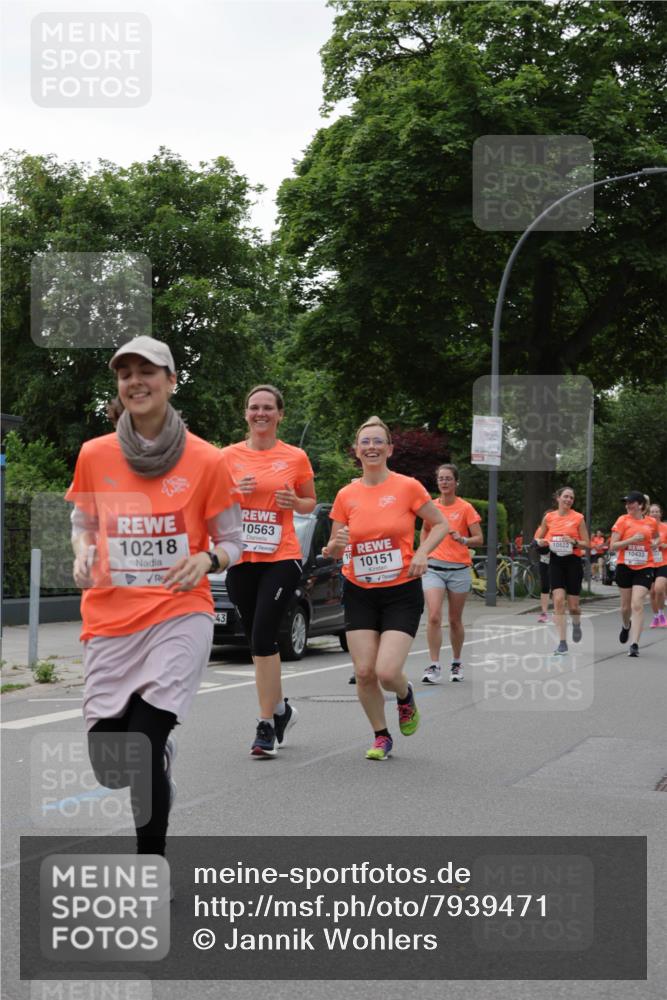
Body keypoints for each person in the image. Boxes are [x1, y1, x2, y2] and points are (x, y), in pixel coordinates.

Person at [66, 335, 242, 859]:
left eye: (148, 371)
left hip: (177, 613)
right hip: (110, 619)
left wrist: (209, 560)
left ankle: (151, 862)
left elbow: (234, 540)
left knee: (141, 748)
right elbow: (83, 521)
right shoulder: (95, 455)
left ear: (170, 381)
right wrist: (83, 549)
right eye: (126, 373)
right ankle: (158, 756)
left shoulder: (206, 460)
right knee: (112, 763)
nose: (136, 381)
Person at [323, 416, 448, 761]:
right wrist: (335, 545)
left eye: (378, 441)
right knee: (364, 672)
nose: (372, 447)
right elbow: (333, 546)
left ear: (389, 449)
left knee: (387, 671)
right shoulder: (346, 494)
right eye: (365, 442)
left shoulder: (408, 487)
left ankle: (405, 696)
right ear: (356, 451)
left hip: (401, 591)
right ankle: (381, 736)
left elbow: (440, 524)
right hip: (359, 589)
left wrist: (422, 552)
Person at [221, 385, 316, 758]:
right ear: (245, 414)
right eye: (254, 407)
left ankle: (265, 727)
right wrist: (231, 492)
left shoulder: (295, 457)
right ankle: (282, 709)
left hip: (282, 555)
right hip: (241, 558)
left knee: (262, 636)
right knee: (258, 641)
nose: (260, 413)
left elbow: (309, 502)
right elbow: (208, 503)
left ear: (279, 414)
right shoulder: (226, 456)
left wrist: (296, 501)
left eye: (268, 408)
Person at [419, 464, 483, 683]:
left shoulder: (465, 508)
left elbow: (479, 538)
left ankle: (456, 662)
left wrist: (463, 540)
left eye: (448, 479)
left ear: (456, 482)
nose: (444, 482)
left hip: (459, 570)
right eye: (441, 479)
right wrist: (423, 553)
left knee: (455, 620)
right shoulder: (431, 507)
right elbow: (425, 530)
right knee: (434, 615)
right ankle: (434, 665)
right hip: (434, 568)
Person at [534, 486, 590, 655]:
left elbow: (587, 543)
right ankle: (562, 642)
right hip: (555, 561)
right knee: (558, 600)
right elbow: (538, 538)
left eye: (571, 498)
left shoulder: (578, 518)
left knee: (573, 606)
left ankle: (576, 623)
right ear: (558, 498)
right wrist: (541, 542)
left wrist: (573, 541)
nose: (568, 500)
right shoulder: (549, 517)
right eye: (565, 496)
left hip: (573, 562)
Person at [609, 492, 659, 656]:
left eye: (631, 503)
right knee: (625, 608)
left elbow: (657, 538)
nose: (628, 506)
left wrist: (654, 544)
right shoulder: (622, 520)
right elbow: (613, 546)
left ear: (640, 505)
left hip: (645, 566)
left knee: (637, 603)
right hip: (625, 566)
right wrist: (631, 540)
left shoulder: (651, 522)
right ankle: (626, 625)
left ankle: (634, 644)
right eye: (626, 503)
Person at [648, 503, 667, 628]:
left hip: (663, 562)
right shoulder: (645, 527)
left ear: (660, 514)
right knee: (652, 593)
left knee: (659, 589)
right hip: (649, 562)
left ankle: (661, 614)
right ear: (649, 514)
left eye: (657, 511)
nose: (654, 513)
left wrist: (663, 545)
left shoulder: (665, 527)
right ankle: (656, 617)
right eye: (652, 512)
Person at [531, 532, 551, 623]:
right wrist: (539, 542)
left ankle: (560, 613)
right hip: (545, 561)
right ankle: (544, 613)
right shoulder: (542, 529)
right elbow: (534, 542)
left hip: (558, 561)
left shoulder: (561, 527)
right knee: (545, 587)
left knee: (558, 587)